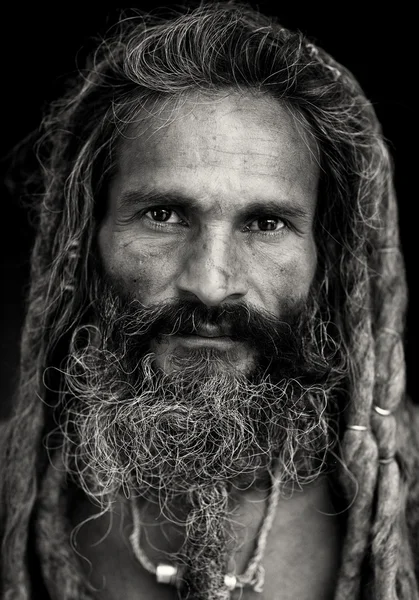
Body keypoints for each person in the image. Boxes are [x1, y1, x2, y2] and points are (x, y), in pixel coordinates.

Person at [0, 3, 418, 599]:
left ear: (331, 259)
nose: (212, 283)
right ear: (82, 241)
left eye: (266, 222)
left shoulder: (408, 501)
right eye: (163, 215)